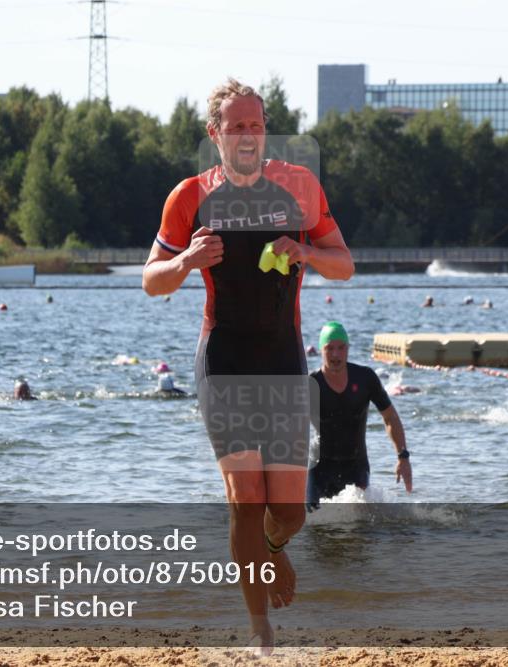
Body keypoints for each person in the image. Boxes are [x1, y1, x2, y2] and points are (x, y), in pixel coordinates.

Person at [141, 78, 354, 655]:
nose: (248, 135)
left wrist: (305, 250)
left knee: (287, 513)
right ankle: (261, 631)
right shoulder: (189, 196)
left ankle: (272, 548)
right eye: (236, 126)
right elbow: (150, 280)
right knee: (244, 499)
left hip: (284, 359)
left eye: (256, 124)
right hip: (224, 360)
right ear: (215, 134)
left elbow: (344, 265)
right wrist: (185, 259)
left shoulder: (299, 188)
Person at [307, 322, 412, 509]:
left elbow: (390, 417)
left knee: (360, 530)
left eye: (341, 348)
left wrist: (403, 457)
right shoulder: (310, 384)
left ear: (348, 349)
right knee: (312, 526)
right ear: (321, 350)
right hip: (319, 470)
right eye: (329, 348)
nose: (336, 354)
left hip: (356, 467)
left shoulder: (365, 378)